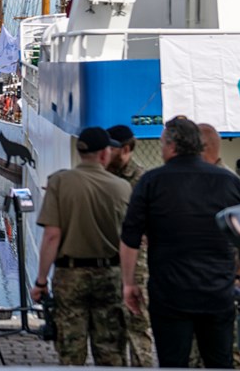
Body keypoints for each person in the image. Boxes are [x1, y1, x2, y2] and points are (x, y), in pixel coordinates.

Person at [120, 116, 240, 369]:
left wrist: (129, 284)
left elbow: (130, 238)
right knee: (220, 362)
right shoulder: (231, 182)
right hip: (218, 293)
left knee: (174, 363)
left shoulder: (151, 182)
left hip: (170, 294)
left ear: (170, 146)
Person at [29, 127, 131, 366]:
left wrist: (41, 281)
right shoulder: (121, 187)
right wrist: (129, 282)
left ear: (80, 151)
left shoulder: (60, 182)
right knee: (110, 348)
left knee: (71, 348)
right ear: (105, 154)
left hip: (70, 275)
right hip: (110, 274)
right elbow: (129, 240)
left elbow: (52, 236)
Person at [197, 123, 240, 370]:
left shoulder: (229, 183)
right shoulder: (233, 182)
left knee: (228, 354)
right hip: (217, 280)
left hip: (224, 281)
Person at [106, 124, 153, 367]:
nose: (105, 151)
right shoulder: (102, 178)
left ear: (125, 149)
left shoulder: (143, 181)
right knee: (110, 333)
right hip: (105, 262)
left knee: (138, 327)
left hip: (136, 266)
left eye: (110, 148)